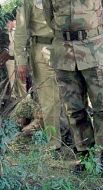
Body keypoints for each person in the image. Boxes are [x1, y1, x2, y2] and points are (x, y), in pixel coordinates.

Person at [42, 0, 103, 170]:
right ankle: (86, 157)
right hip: (64, 51)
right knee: (74, 109)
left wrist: (92, 33)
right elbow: (49, 16)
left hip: (94, 49)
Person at [14, 0, 66, 149]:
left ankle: (75, 140)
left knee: (71, 97)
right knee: (50, 101)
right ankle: (54, 143)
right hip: (44, 50)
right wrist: (21, 60)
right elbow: (21, 31)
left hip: (68, 48)